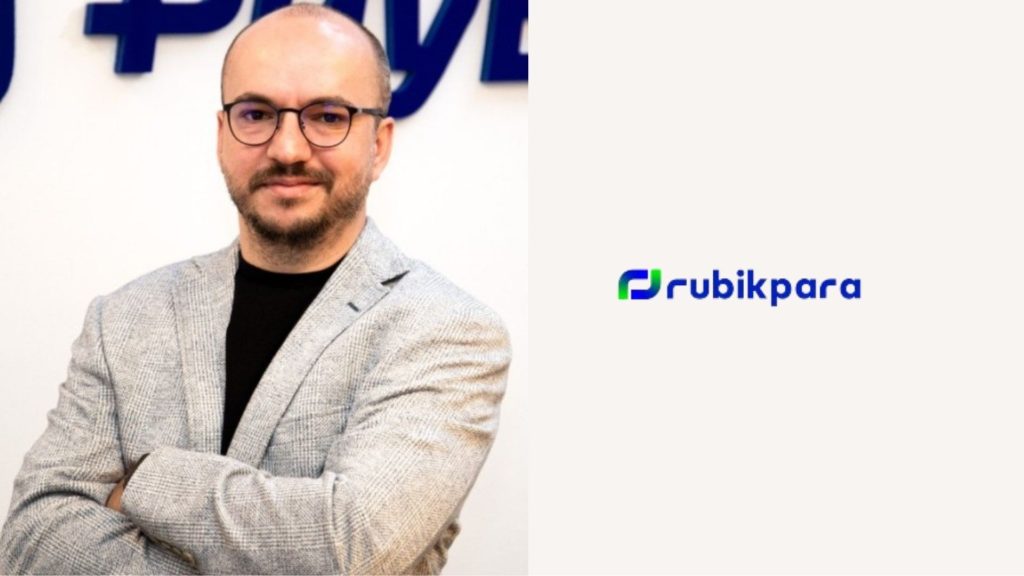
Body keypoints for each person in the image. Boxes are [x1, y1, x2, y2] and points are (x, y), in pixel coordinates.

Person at [0, 4, 510, 574]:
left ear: (379, 144)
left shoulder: (448, 331)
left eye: (328, 116)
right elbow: (31, 539)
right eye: (256, 114)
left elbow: (348, 546)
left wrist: (144, 480)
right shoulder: (123, 319)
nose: (288, 149)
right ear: (223, 136)